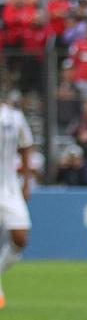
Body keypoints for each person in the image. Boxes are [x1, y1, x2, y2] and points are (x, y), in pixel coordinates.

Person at [0, 97, 33, 309]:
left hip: (8, 187)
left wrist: (27, 181)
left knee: (20, 237)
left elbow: (26, 145)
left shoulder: (13, 116)